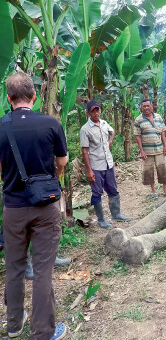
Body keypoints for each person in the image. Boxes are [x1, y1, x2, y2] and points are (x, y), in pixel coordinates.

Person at [0, 72, 67, 340]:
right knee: (42, 271)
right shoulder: (50, 123)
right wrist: (51, 177)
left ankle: (14, 325)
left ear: (9, 98)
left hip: (13, 209)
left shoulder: (1, 127)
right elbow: (61, 162)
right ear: (35, 96)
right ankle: (43, 332)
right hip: (45, 208)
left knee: (14, 267)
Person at [80, 100, 130, 229]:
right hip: (96, 166)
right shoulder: (85, 129)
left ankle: (116, 214)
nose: (96, 113)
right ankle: (101, 220)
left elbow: (111, 131)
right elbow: (84, 151)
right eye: (93, 111)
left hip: (108, 163)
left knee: (113, 189)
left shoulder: (104, 123)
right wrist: (89, 170)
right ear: (88, 113)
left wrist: (110, 142)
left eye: (98, 110)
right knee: (97, 193)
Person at [134, 99, 166, 198]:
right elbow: (138, 137)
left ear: (151, 106)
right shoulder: (138, 120)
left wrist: (165, 146)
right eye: (144, 106)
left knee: (163, 169)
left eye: (148, 106)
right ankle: (154, 192)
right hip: (147, 151)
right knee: (148, 171)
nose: (146, 108)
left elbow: (162, 133)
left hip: (159, 149)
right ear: (141, 108)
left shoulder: (158, 117)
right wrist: (141, 151)